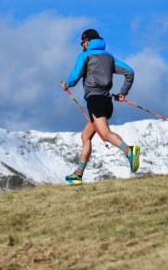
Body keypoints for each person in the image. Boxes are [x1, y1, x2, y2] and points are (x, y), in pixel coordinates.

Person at [60, 28, 140, 185]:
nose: (82, 46)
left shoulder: (85, 55)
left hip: (94, 100)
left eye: (82, 43)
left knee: (105, 134)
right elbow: (129, 72)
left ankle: (128, 150)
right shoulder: (110, 57)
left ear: (87, 42)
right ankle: (78, 174)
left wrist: (67, 84)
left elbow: (75, 75)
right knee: (86, 136)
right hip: (106, 100)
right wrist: (123, 93)